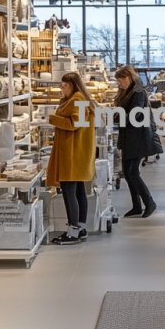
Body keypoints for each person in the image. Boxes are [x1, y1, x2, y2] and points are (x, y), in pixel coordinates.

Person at [46, 72, 95, 244]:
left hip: (72, 154)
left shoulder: (78, 100)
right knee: (78, 190)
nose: (62, 88)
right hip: (75, 153)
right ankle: (80, 228)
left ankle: (73, 231)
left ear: (74, 85)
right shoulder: (77, 99)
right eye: (62, 85)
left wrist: (53, 119)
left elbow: (75, 124)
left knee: (69, 192)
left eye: (65, 85)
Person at [114, 65, 159, 218]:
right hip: (129, 137)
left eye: (121, 81)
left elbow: (135, 114)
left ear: (129, 78)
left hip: (138, 137)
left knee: (133, 172)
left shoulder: (138, 92)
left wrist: (115, 117)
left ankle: (150, 202)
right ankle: (136, 206)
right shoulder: (126, 92)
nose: (120, 84)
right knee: (127, 173)